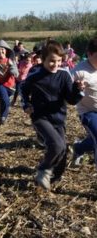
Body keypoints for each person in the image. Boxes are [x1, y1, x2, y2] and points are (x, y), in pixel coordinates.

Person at [21, 40, 84, 190]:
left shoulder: (63, 75)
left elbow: (71, 100)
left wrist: (78, 90)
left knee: (62, 153)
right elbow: (24, 91)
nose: (55, 64)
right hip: (40, 117)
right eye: (51, 61)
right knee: (57, 146)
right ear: (43, 59)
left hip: (58, 118)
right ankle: (43, 169)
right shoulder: (35, 75)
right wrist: (26, 105)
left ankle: (52, 179)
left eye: (59, 61)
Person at [71, 37, 97, 165]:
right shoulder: (79, 71)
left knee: (94, 139)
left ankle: (78, 148)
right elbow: (64, 87)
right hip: (88, 111)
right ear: (90, 54)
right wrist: (76, 88)